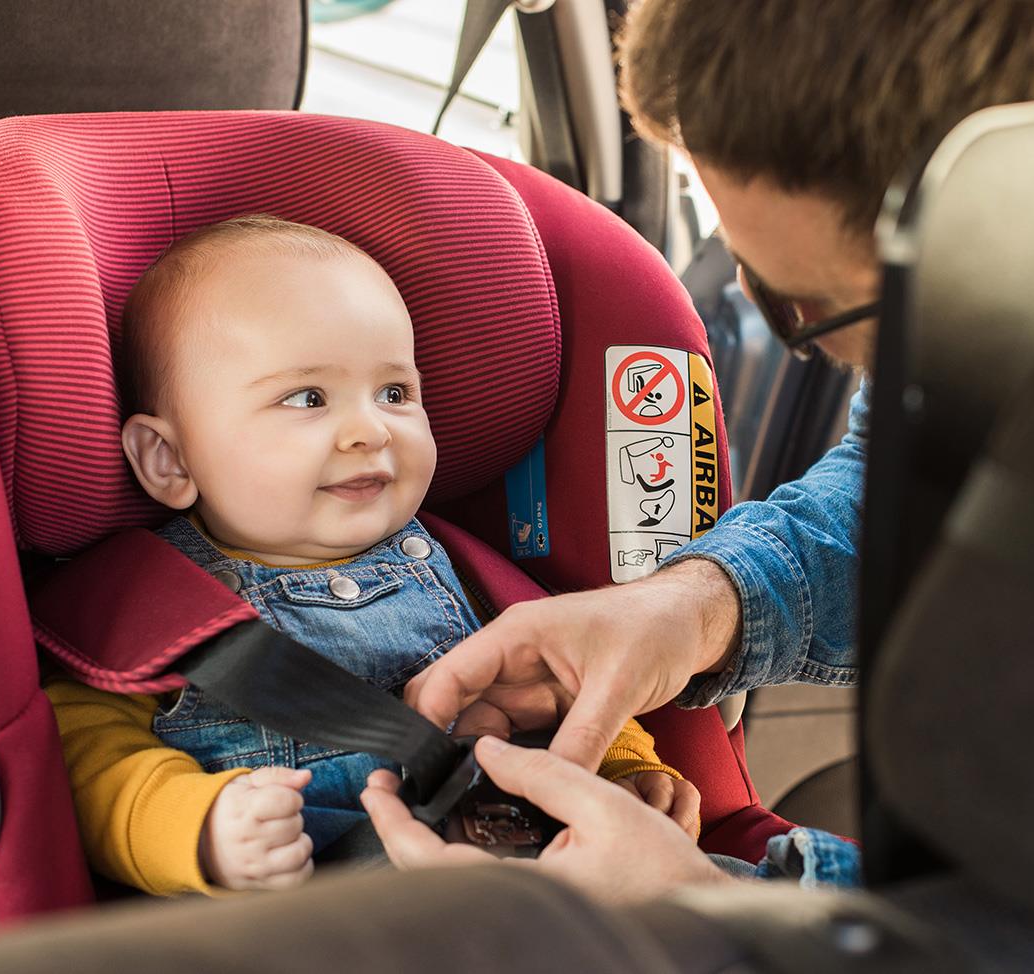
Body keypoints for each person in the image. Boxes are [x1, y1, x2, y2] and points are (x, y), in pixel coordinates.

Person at [364, 0, 1034, 898]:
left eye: (807, 309)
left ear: (1032, 220)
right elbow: (928, 463)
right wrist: (696, 605)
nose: (764, 315)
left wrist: (715, 910)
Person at [44, 215, 698, 895]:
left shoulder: (470, 572)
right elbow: (89, 762)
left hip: (546, 876)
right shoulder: (144, 610)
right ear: (169, 458)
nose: (369, 430)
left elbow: (560, 688)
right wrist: (200, 829)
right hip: (339, 917)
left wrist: (623, 767)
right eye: (307, 398)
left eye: (394, 393)